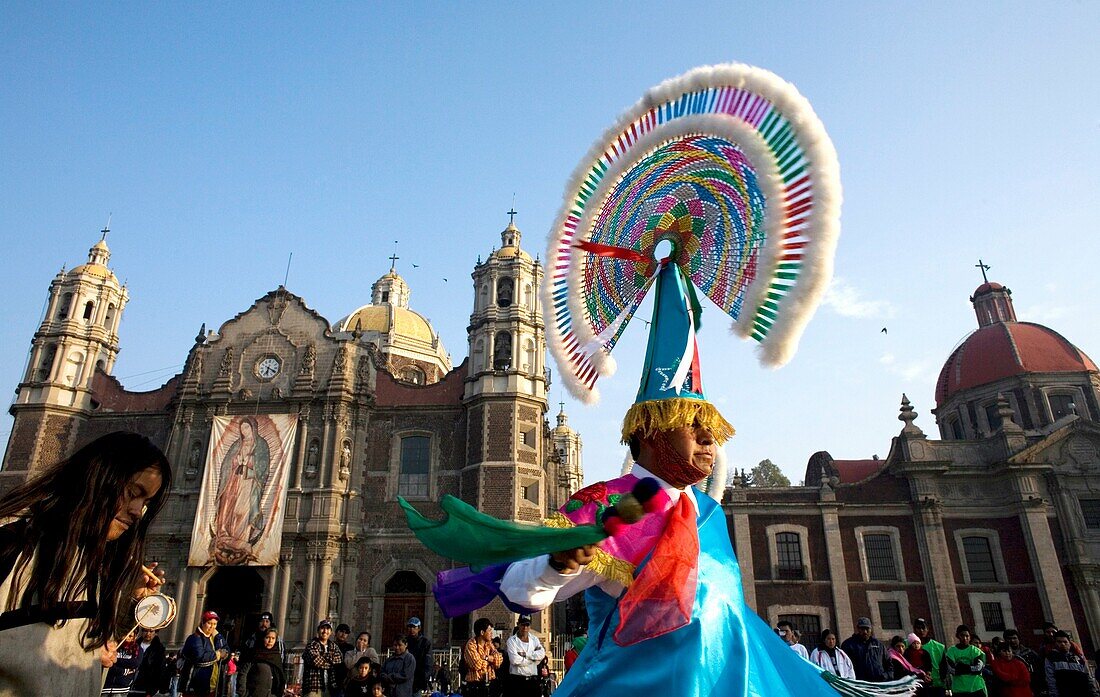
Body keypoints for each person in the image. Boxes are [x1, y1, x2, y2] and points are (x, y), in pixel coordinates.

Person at [0, 432, 172, 696]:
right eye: (131, 493)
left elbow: (75, 644)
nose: (137, 511)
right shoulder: (12, 542)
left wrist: (128, 606)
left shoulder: (98, 565)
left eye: (145, 502)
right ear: (97, 477)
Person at [212, 416, 271, 565]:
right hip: (233, 482)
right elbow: (226, 464)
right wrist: (235, 461)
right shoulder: (236, 445)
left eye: (247, 428)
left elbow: (264, 467)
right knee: (228, 509)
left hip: (249, 484)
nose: (244, 431)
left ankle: (242, 538)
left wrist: (249, 463)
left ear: (253, 428)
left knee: (243, 511)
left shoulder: (262, 445)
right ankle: (225, 536)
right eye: (242, 428)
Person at [180, 610, 229, 697]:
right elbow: (200, 657)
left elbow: (225, 650)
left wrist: (218, 636)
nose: (212, 627)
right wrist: (218, 654)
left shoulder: (215, 638)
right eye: (209, 623)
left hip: (211, 686)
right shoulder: (195, 638)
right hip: (195, 686)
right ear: (203, 623)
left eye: (215, 624)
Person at [1044, 630, 1098, 696]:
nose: (1063, 644)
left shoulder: (1078, 658)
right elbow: (1051, 679)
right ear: (1055, 643)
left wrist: (1093, 692)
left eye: (1065, 642)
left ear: (1069, 644)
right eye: (1059, 642)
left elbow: (1087, 676)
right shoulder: (1051, 658)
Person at [505, 614, 546, 697]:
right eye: (522, 625)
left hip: (532, 681)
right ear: (518, 624)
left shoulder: (534, 639)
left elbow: (542, 654)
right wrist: (533, 661)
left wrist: (526, 655)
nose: (525, 628)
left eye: (527, 625)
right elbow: (515, 660)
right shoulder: (512, 641)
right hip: (517, 681)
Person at [238, 627, 286, 697]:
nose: (270, 641)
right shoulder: (254, 654)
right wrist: (243, 693)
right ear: (262, 638)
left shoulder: (276, 656)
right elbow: (243, 673)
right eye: (267, 637)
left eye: (273, 638)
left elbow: (280, 677)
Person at [303, 619, 344, 697]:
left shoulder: (334, 646)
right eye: (322, 628)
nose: (325, 631)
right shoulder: (312, 645)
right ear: (318, 631)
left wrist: (322, 658)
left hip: (330, 686)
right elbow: (316, 661)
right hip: (313, 687)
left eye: (328, 629)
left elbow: (339, 660)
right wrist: (331, 662)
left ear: (331, 632)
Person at [463, 618, 502, 697]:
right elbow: (477, 665)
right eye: (490, 630)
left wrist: (486, 658)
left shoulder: (489, 644)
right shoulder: (471, 645)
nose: (491, 633)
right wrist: (491, 661)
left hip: (490, 684)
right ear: (482, 632)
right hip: (475, 685)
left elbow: (499, 661)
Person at [841, 618, 889, 682]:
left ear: (871, 629)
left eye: (867, 629)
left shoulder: (879, 645)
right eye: (862, 629)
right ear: (858, 629)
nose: (865, 632)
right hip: (860, 684)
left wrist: (886, 676)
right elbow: (844, 666)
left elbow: (888, 663)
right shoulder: (848, 645)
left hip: (879, 684)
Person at [946, 625, 987, 697]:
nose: (965, 638)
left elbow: (978, 669)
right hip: (959, 690)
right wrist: (970, 668)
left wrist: (961, 667)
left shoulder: (976, 651)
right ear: (957, 636)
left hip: (976, 688)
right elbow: (952, 670)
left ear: (970, 637)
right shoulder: (951, 651)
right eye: (962, 635)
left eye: (967, 636)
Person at [912, 618, 948, 697]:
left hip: (936, 686)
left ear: (927, 629)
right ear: (914, 629)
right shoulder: (906, 645)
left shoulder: (939, 647)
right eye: (918, 628)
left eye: (923, 628)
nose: (921, 630)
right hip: (915, 686)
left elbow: (944, 667)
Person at [103, 630, 144, 696]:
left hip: (121, 689)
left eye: (130, 636)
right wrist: (123, 671)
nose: (127, 638)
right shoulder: (115, 647)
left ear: (135, 637)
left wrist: (117, 660)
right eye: (125, 635)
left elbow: (135, 663)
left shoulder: (137, 649)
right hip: (106, 687)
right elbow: (108, 664)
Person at [129, 627, 167, 697]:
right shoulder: (134, 645)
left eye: (151, 631)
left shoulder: (159, 649)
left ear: (155, 633)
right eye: (145, 631)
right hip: (129, 684)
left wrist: (152, 690)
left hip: (146, 687)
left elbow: (160, 670)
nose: (148, 634)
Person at [405, 616, 433, 694]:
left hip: (418, 680)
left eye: (414, 627)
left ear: (419, 628)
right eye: (410, 627)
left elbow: (428, 663)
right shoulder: (405, 641)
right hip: (406, 679)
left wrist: (424, 679)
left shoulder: (425, 643)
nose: (411, 629)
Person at [333, 623, 354, 696]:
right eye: (341, 631)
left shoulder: (350, 648)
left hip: (344, 682)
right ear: (336, 632)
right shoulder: (330, 646)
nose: (343, 634)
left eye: (346, 632)